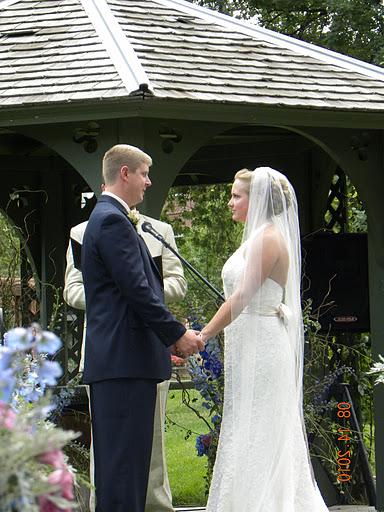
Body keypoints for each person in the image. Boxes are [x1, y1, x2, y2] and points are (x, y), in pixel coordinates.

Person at [81, 144, 203, 512]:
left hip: (125, 362)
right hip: (123, 365)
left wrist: (161, 339)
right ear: (124, 173)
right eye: (145, 173)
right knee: (123, 474)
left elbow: (128, 296)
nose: (149, 181)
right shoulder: (113, 220)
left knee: (128, 470)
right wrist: (176, 335)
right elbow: (138, 291)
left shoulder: (109, 218)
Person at [200, 167, 328, 511]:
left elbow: (241, 297)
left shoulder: (268, 238)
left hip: (264, 348)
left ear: (256, 200)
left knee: (261, 430)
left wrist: (203, 335)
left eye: (236, 195)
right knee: (247, 427)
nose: (230, 202)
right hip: (248, 345)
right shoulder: (255, 237)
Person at [64, 211, 187, 512]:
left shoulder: (158, 230)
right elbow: (71, 290)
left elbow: (178, 283)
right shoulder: (81, 233)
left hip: (147, 347)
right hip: (105, 349)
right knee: (107, 446)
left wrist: (142, 292)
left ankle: (156, 506)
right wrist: (117, 294)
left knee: (153, 444)